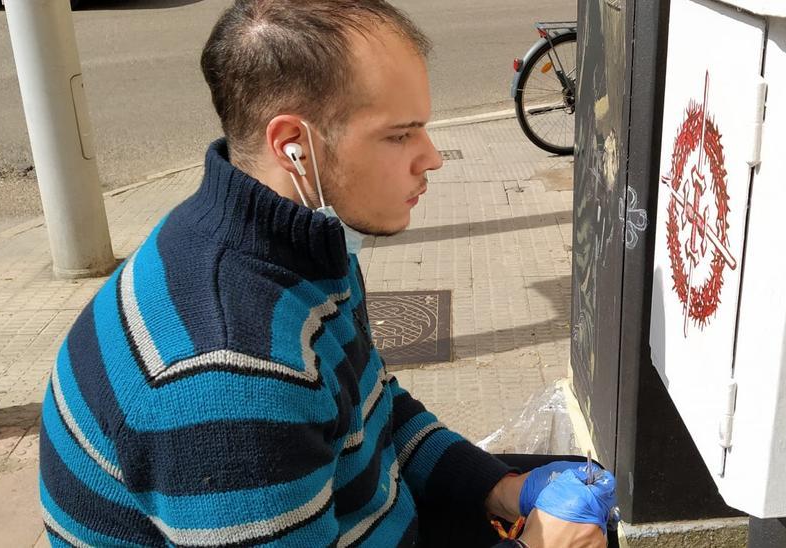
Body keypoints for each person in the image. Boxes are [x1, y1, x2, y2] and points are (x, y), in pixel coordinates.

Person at [36, 1, 616, 546]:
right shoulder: (228, 379)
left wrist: (502, 488)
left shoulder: (298, 244)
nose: (432, 156)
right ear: (295, 148)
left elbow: (373, 408)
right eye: (400, 134)